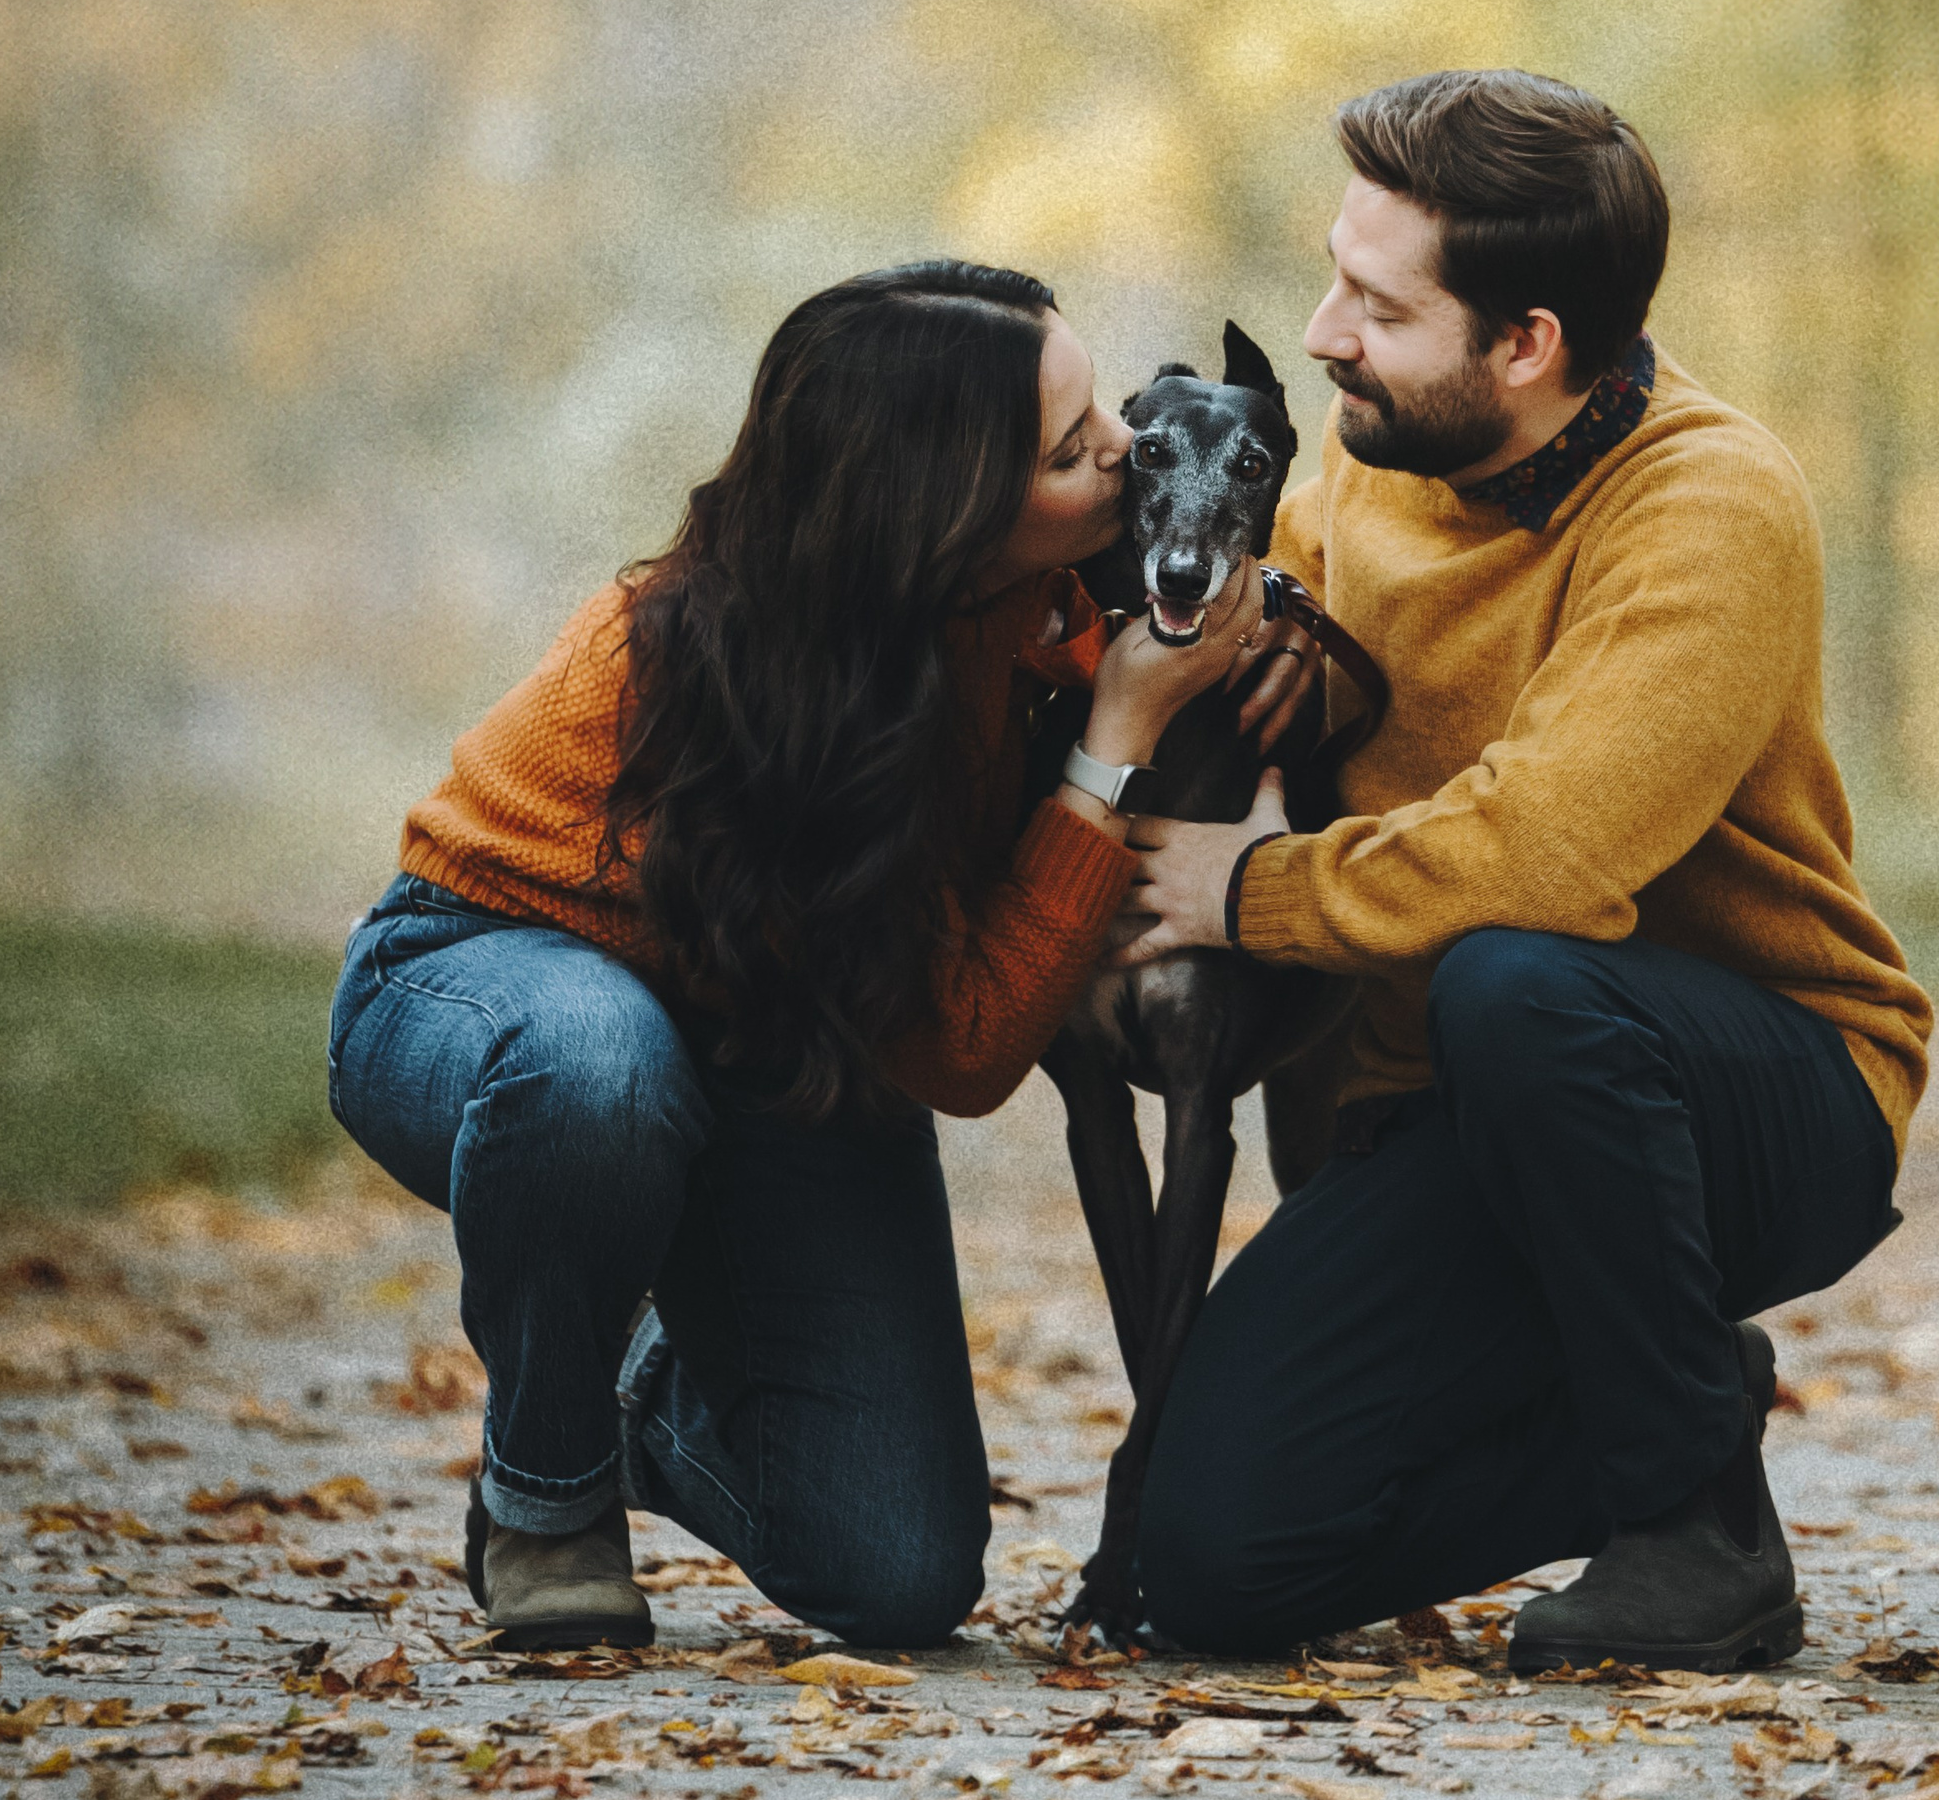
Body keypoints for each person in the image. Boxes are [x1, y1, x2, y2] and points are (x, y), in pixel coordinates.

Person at [325, 262, 1275, 1651]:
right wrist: (1111, 744)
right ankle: (546, 1486)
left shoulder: (1028, 601)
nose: (1127, 452)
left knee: (900, 1572)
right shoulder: (734, 672)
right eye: (1078, 449)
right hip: (494, 982)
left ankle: (636, 1389)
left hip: (774, 1042)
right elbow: (963, 1051)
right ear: (949, 517)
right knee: (601, 1069)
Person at [1122, 70, 1934, 1671]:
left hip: (1751, 1091)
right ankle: (1661, 1392)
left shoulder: (1709, 505)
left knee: (1520, 971)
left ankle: (1697, 1536)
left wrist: (1246, 891)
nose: (1320, 331)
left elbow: (1547, 855)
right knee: (1207, 1564)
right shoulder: (1370, 449)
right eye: (1334, 275)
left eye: (1374, 302)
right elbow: (1244, 625)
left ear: (1528, 345)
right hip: (1467, 1114)